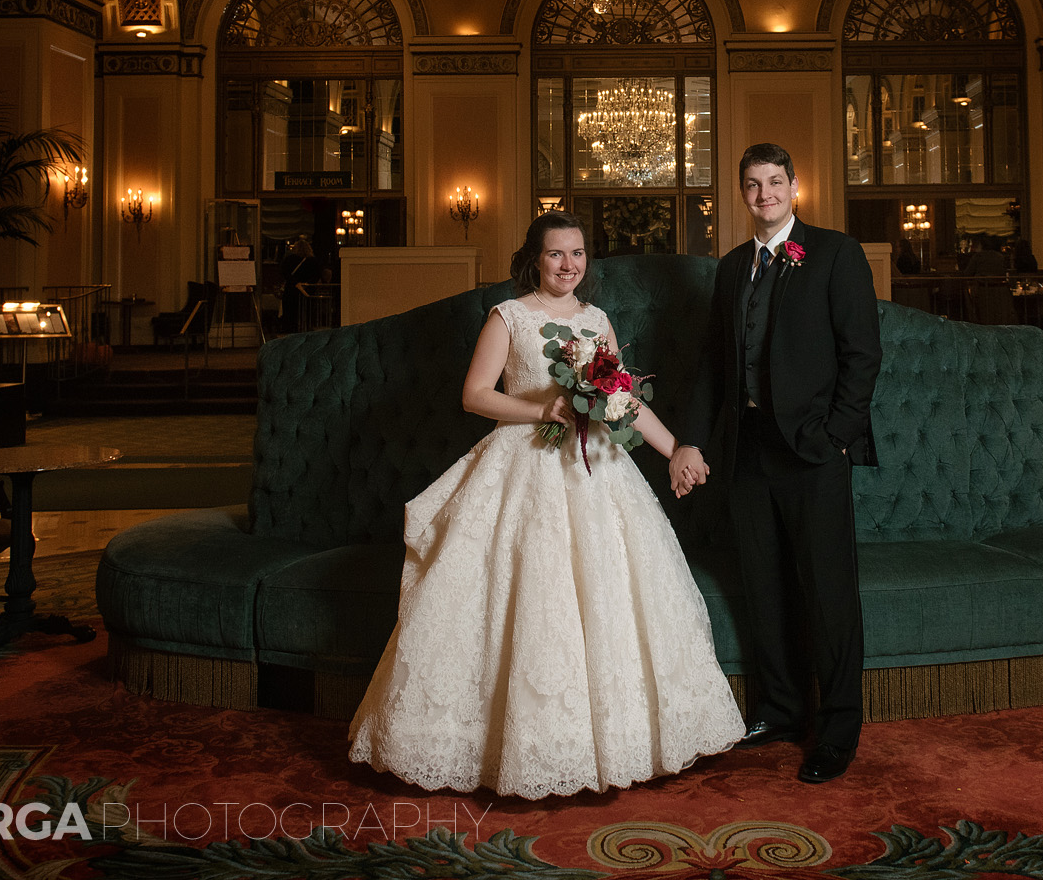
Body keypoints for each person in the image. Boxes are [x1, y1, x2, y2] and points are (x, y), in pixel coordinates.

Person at [348, 211, 743, 798]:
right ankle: (513, 747)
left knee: (610, 596)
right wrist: (544, 411)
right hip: (525, 463)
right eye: (557, 254)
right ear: (535, 258)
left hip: (597, 468)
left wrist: (675, 450)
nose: (568, 265)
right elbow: (476, 395)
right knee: (530, 596)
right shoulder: (508, 317)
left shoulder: (597, 320)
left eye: (578, 254)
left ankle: (616, 743)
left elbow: (623, 401)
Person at [671, 142, 882, 785]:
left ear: (795, 185)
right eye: (752, 185)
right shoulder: (733, 267)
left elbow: (863, 354)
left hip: (814, 453)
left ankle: (838, 728)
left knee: (828, 593)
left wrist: (839, 437)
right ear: (742, 194)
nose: (764, 195)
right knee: (764, 587)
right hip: (747, 450)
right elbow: (715, 365)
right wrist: (696, 441)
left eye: (774, 183)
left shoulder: (836, 254)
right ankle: (784, 711)